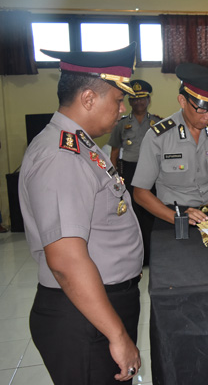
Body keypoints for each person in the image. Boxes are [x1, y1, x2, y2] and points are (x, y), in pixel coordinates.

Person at [18, 44, 143, 384]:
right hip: (84, 316)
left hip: (96, 308)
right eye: (118, 100)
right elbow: (67, 262)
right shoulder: (63, 156)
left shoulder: (82, 145)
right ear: (89, 98)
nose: (122, 110)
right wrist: (117, 336)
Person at [132, 63, 208, 225]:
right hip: (171, 215)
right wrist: (178, 218)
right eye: (202, 110)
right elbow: (140, 193)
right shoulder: (158, 136)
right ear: (182, 101)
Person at [108, 79, 160, 264]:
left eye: (142, 98)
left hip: (154, 173)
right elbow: (114, 151)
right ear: (129, 101)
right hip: (129, 171)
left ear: (148, 100)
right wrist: (115, 177)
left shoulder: (158, 122)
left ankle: (156, 253)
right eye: (134, 99)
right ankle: (140, 255)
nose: (139, 102)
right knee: (134, 214)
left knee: (153, 212)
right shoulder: (121, 124)